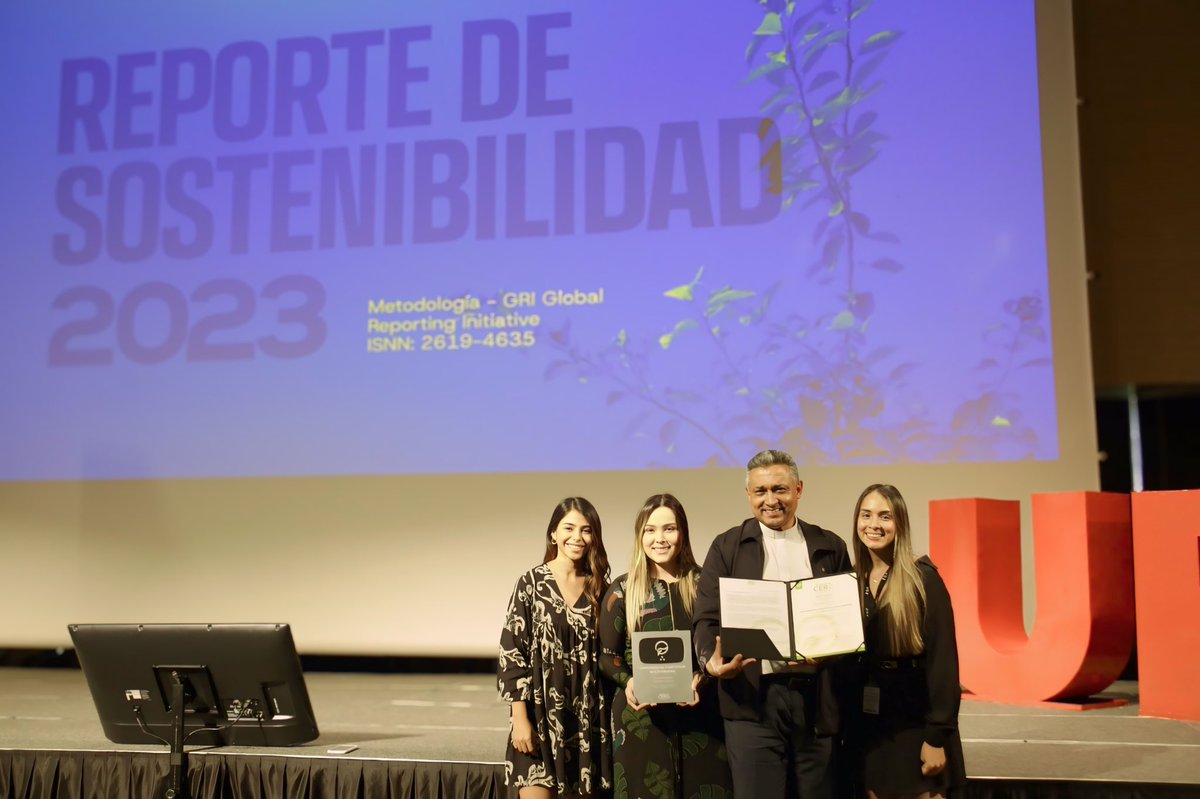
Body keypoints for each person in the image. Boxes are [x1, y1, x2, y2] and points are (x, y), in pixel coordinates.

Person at [693, 449, 853, 798]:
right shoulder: (726, 546)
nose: (771, 500)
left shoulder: (830, 546)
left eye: (779, 489)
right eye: (760, 492)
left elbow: (848, 623)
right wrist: (711, 661)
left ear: (798, 489)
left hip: (816, 701)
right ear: (748, 495)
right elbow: (706, 618)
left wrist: (830, 654)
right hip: (753, 700)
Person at [598, 493, 733, 799]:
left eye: (669, 529)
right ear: (640, 536)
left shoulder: (705, 585)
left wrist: (705, 678)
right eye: (650, 530)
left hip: (702, 717)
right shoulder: (623, 589)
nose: (659, 538)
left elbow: (721, 648)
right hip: (641, 720)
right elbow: (607, 657)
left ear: (682, 533)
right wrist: (629, 682)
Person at [850, 484, 966, 799]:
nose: (873, 525)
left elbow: (943, 663)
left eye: (885, 516)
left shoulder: (923, 579)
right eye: (866, 515)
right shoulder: (851, 580)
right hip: (874, 725)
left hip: (916, 723)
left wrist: (937, 737)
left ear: (900, 523)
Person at [498, 497, 613, 798]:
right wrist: (519, 719)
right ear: (553, 533)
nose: (577, 537)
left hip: (588, 722)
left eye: (586, 530)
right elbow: (512, 655)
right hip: (539, 719)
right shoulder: (531, 583)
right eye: (569, 528)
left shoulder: (599, 588)